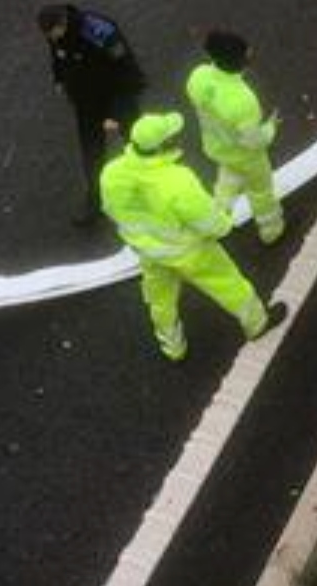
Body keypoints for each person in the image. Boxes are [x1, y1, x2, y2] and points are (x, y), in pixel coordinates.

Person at [99, 112, 288, 362]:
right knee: (228, 284)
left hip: (149, 253)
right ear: (162, 146)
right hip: (190, 252)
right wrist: (224, 225)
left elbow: (111, 209)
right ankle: (257, 323)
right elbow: (210, 221)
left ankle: (172, 347)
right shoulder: (177, 180)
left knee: (160, 301)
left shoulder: (111, 173)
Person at [39, 4, 146, 226]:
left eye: (53, 33)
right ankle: (95, 203)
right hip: (87, 102)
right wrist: (59, 79)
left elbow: (126, 70)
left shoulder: (99, 31)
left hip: (117, 95)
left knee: (139, 143)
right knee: (92, 154)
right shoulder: (55, 33)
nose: (52, 39)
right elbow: (58, 55)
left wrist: (115, 114)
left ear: (63, 23)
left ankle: (153, 187)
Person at [185, 30, 285, 245]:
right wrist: (271, 127)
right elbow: (254, 141)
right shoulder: (242, 101)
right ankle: (271, 230)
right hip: (247, 157)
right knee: (261, 192)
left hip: (217, 147)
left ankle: (216, 221)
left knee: (227, 181)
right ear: (243, 60)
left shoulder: (198, 76)